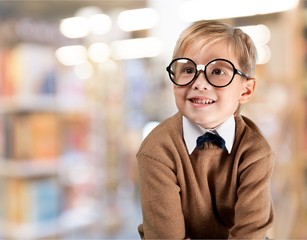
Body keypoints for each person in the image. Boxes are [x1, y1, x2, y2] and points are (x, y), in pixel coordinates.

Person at [137, 20, 274, 239]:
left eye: (218, 71)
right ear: (174, 84)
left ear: (245, 91)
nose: (199, 83)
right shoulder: (156, 151)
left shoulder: (255, 151)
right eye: (188, 69)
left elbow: (250, 233)